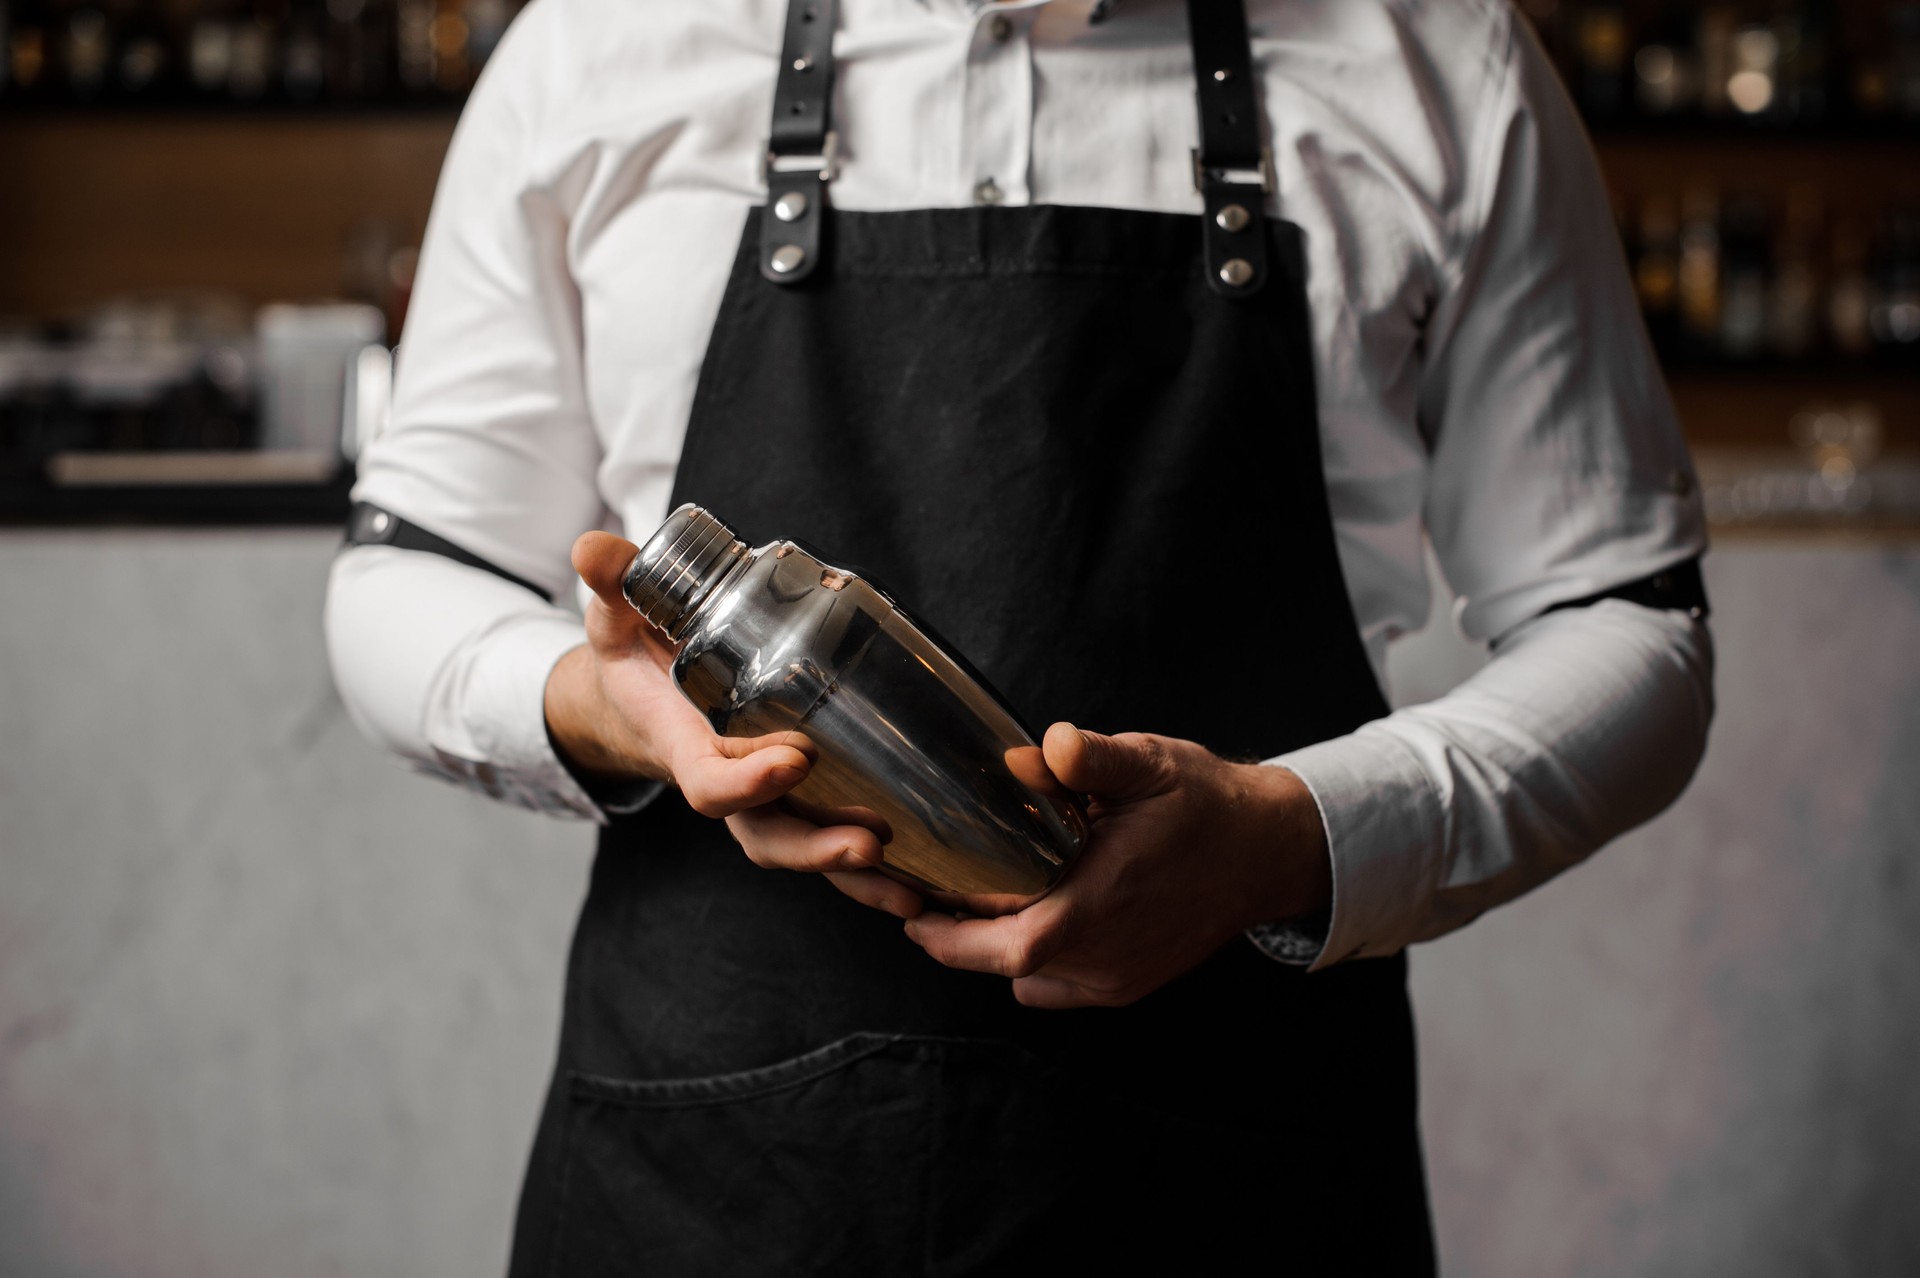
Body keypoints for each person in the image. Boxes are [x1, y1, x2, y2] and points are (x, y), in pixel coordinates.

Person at [324, 0, 1715, 1271]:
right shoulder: (602, 46)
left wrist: (1293, 835)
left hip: (1236, 1181)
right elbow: (402, 584)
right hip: (713, 1175)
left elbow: (1631, 626)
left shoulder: (1436, 61)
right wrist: (597, 703)